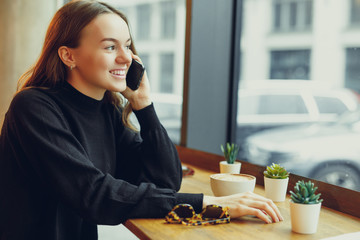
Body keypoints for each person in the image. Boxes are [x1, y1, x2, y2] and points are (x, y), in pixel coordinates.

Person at [0, 1, 283, 239]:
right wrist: (210, 203)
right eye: (110, 47)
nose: (127, 57)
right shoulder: (33, 107)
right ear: (68, 55)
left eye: (127, 45)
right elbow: (92, 194)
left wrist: (143, 105)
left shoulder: (106, 111)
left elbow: (165, 182)